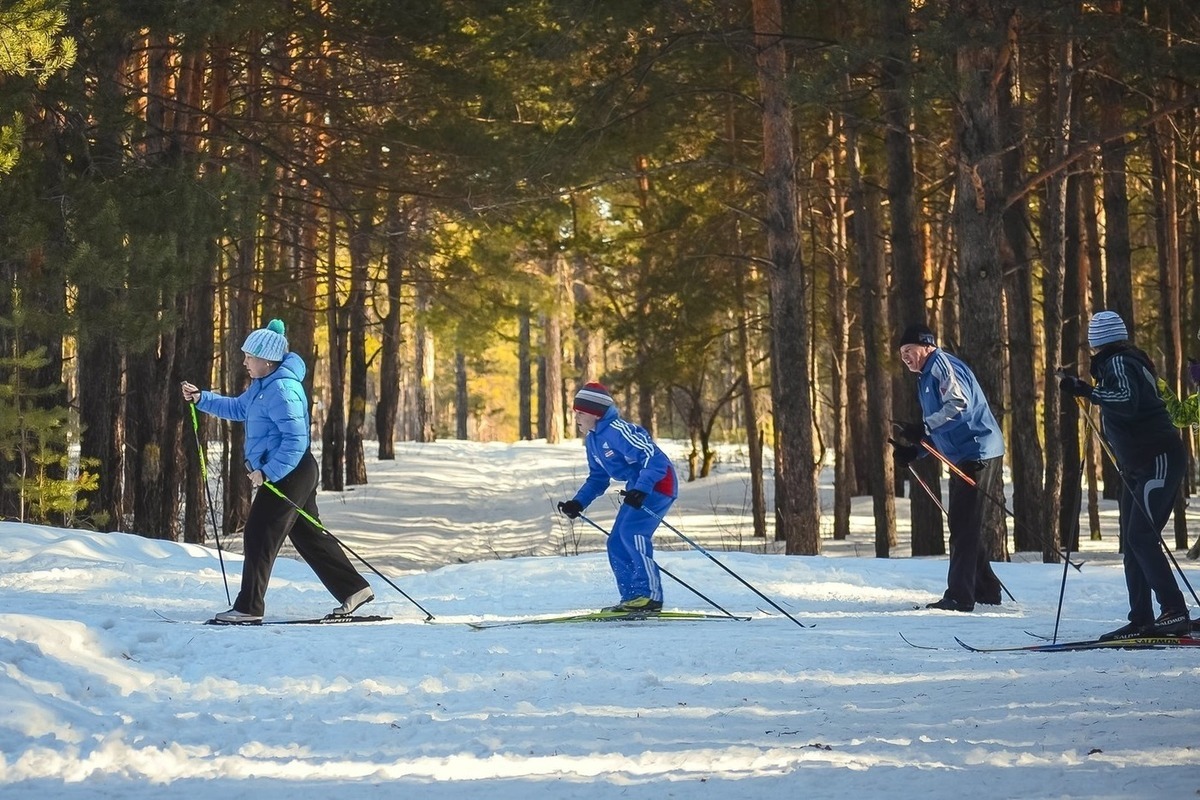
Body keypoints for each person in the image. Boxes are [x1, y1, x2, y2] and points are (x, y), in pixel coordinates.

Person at [181, 319, 373, 624]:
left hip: (290, 471)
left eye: (249, 357)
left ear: (267, 360)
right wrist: (202, 398)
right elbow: (237, 409)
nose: (244, 361)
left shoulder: (283, 389)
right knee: (308, 535)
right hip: (292, 470)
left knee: (259, 533)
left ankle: (248, 608)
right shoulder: (262, 386)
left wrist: (268, 472)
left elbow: (296, 440)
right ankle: (355, 589)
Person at [1059, 310, 1192, 639]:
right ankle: (1142, 618)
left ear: (1097, 343)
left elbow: (1127, 401)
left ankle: (1173, 611)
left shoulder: (1118, 362)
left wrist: (1087, 391)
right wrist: (1089, 390)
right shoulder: (1119, 363)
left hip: (1157, 460)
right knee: (1133, 543)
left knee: (1141, 538)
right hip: (1139, 466)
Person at [893, 323, 1005, 612]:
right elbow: (937, 427)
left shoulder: (941, 366)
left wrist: (923, 427)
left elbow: (958, 405)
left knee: (963, 524)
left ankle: (960, 596)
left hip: (977, 450)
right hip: (961, 455)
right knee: (961, 522)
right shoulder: (925, 376)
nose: (905, 357)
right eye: (901, 353)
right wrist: (914, 451)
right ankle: (986, 589)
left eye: (909, 350)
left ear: (926, 346)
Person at [556, 382, 678, 612]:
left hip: (659, 484)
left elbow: (654, 458)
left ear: (594, 413)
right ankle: (632, 598)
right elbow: (598, 478)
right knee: (615, 541)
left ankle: (649, 596)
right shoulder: (592, 440)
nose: (576, 418)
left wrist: (642, 488)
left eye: (580, 412)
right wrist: (578, 502)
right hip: (638, 487)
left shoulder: (616, 431)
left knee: (632, 533)